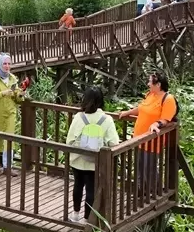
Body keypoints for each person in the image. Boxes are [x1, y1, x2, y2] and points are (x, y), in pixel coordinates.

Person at [117, 72, 178, 194]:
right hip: (139, 139)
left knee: (149, 169)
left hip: (152, 141)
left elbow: (166, 119)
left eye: (150, 82)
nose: (148, 84)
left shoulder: (168, 99)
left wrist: (156, 124)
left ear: (158, 84)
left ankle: (155, 194)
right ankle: (141, 192)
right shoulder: (150, 95)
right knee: (139, 168)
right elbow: (142, 109)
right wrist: (128, 113)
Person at [66, 86, 120, 223]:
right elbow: (114, 142)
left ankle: (75, 214)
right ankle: (87, 219)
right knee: (91, 189)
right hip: (96, 161)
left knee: (78, 185)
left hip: (78, 159)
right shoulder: (106, 120)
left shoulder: (79, 117)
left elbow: (70, 140)